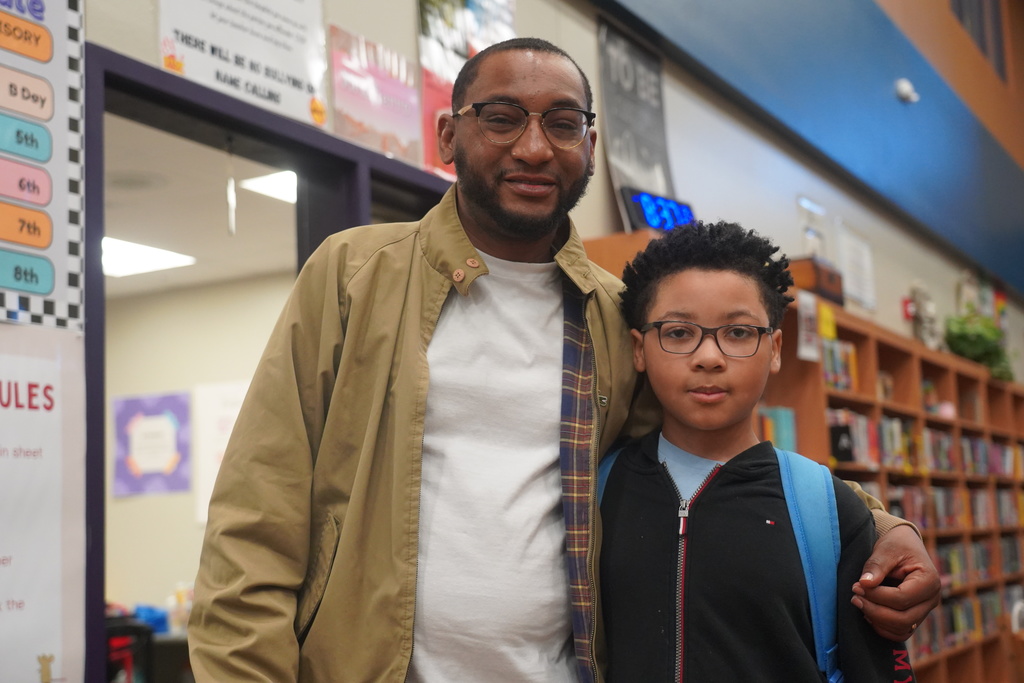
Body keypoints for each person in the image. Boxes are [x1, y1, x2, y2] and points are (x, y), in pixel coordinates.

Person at [187, 37, 938, 682]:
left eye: (563, 123)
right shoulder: (355, 274)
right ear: (448, 134)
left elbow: (705, 449)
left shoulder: (616, 315)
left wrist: (878, 524)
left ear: (591, 146)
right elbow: (258, 511)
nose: (534, 147)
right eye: (502, 118)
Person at [600, 220, 916, 682]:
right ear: (639, 349)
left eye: (738, 333)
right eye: (678, 332)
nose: (709, 357)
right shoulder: (597, 490)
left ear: (775, 348)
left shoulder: (831, 512)